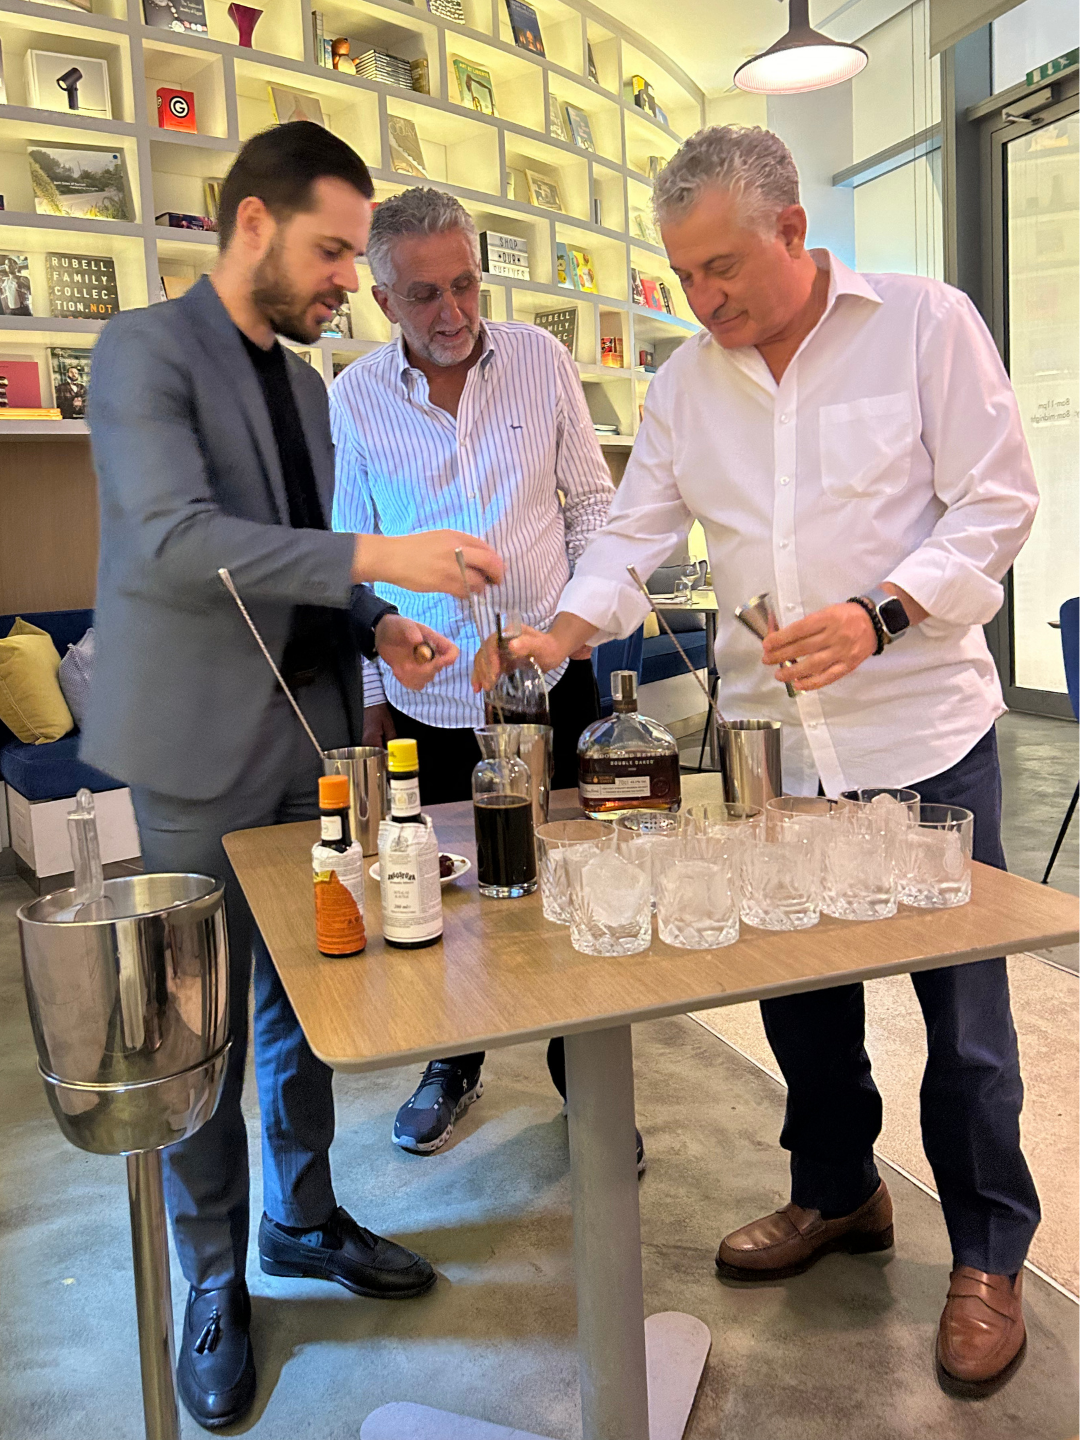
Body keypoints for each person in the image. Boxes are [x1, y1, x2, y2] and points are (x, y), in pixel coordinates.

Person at [482, 125, 1041, 1398]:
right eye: (684, 276)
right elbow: (631, 537)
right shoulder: (685, 384)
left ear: (793, 231)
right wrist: (564, 624)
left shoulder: (923, 324)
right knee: (798, 994)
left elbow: (998, 500)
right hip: (771, 750)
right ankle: (840, 1193)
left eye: (723, 266)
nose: (705, 298)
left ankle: (990, 1255)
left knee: (966, 1027)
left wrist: (881, 610)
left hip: (923, 733)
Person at [85, 123, 503, 1431]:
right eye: (333, 250)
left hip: (313, 738)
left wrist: (375, 627)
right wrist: (386, 564)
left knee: (303, 1002)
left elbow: (294, 557)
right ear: (252, 226)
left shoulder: (312, 390)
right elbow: (175, 543)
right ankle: (213, 1274)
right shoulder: (139, 353)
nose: (347, 279)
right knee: (193, 1031)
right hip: (197, 757)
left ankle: (302, 1216)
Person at [328, 187, 630, 1162]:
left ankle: (582, 1077)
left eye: (464, 285)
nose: (453, 313)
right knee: (445, 892)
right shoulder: (354, 398)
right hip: (433, 703)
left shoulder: (540, 360)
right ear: (382, 301)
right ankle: (452, 1060)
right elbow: (354, 555)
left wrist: (572, 629)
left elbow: (593, 509)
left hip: (551, 688)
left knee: (569, 891)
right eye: (424, 296)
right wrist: (374, 704)